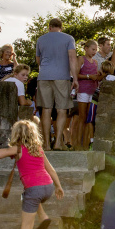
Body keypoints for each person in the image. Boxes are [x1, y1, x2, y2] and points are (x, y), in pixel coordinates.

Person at [0, 120, 65, 229]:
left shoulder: (18, 149)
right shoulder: (38, 149)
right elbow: (51, 170)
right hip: (48, 187)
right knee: (29, 195)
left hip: (35, 190)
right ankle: (43, 216)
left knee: (26, 227)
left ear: (16, 134)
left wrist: (9, 150)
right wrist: (58, 186)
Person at [36, 17, 78, 150]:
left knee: (46, 109)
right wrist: (75, 78)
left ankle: (46, 144)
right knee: (61, 109)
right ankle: (58, 142)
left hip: (44, 76)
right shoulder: (68, 38)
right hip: (62, 76)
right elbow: (72, 58)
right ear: (61, 27)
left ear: (49, 27)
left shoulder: (41, 39)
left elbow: (38, 60)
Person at [72, 40, 102, 151]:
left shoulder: (95, 62)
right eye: (93, 49)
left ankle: (85, 143)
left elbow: (96, 77)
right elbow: (76, 74)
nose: (94, 52)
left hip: (93, 92)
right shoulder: (81, 59)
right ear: (86, 48)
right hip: (83, 91)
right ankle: (78, 143)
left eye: (96, 50)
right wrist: (89, 76)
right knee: (82, 117)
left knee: (89, 119)